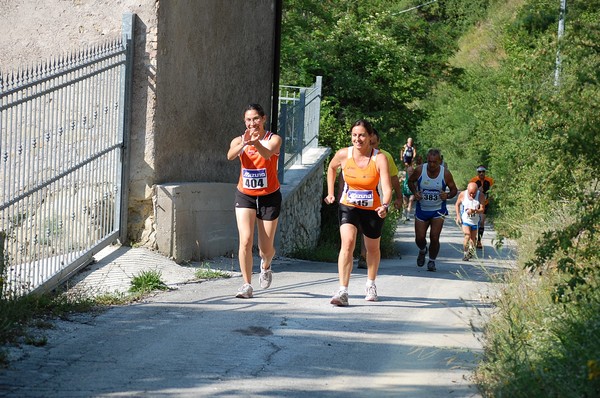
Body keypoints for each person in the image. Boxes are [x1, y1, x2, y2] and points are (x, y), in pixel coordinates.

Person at [324, 119, 392, 306]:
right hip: (349, 205)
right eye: (354, 135)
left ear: (370, 137)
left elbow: (386, 187)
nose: (358, 139)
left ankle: (370, 283)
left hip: (373, 208)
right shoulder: (344, 154)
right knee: (348, 243)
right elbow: (331, 168)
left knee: (372, 249)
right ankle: (343, 290)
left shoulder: (379, 158)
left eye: (362, 135)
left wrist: (385, 205)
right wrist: (331, 193)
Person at [226, 103, 282, 299]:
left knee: (265, 248)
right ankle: (246, 284)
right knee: (246, 240)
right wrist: (244, 143)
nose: (252, 123)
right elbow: (230, 155)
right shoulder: (239, 140)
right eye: (248, 120)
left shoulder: (273, 139)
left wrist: (255, 143)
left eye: (256, 119)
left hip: (269, 196)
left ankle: (266, 265)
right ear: (244, 122)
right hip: (245, 195)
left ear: (264, 119)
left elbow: (267, 154)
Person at [356, 128, 402, 269]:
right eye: (369, 142)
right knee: (360, 226)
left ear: (378, 142)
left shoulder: (385, 156)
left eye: (374, 143)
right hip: (359, 195)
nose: (371, 146)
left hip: (379, 197)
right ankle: (363, 256)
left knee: (371, 227)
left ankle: (369, 254)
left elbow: (394, 177)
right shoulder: (355, 154)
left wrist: (399, 197)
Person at [407, 148, 458, 272]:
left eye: (435, 162)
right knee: (419, 238)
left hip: (438, 210)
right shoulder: (420, 170)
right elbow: (410, 181)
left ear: (440, 161)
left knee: (434, 237)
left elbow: (454, 190)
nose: (432, 165)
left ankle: (432, 261)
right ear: (427, 160)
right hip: (422, 209)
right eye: (430, 162)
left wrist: (447, 195)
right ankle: (422, 249)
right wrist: (415, 193)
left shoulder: (445, 173)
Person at [455, 182, 484, 261]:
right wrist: (458, 216)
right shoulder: (462, 194)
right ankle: (465, 253)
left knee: (473, 238)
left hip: (475, 220)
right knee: (467, 235)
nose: (472, 195)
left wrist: (474, 211)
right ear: (467, 190)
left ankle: (470, 251)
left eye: (474, 194)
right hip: (465, 219)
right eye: (470, 193)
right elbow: (457, 204)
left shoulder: (480, 195)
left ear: (477, 191)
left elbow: (482, 209)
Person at [469, 165, 494, 249]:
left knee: (482, 222)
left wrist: (491, 196)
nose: (481, 173)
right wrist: (477, 191)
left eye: (483, 171)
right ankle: (473, 237)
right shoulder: (473, 181)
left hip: (485, 203)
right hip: (475, 204)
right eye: (479, 172)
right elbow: (469, 192)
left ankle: (479, 241)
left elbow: (493, 190)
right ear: (477, 172)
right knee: (475, 222)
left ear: (485, 172)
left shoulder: (489, 181)